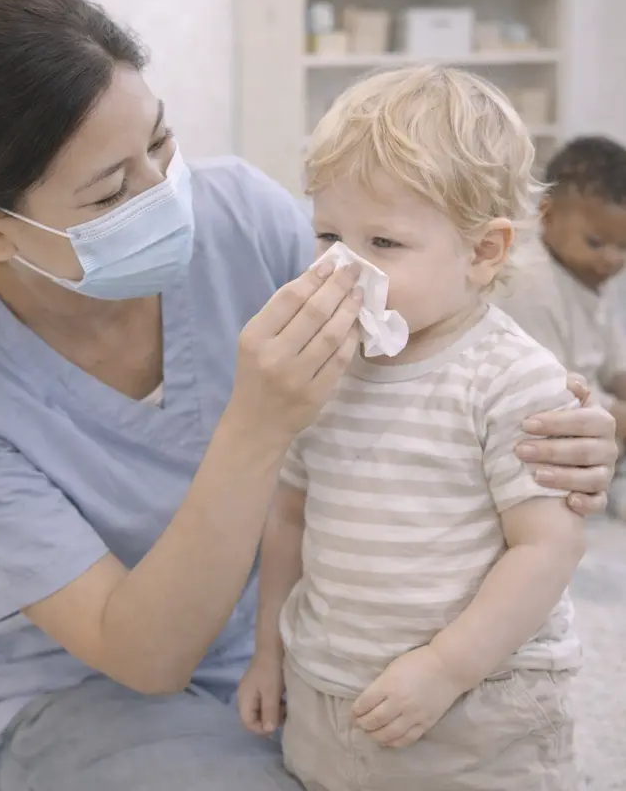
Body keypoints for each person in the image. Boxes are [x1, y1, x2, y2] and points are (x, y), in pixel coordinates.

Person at [0, 0, 616, 791]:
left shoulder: (236, 211)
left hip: (326, 651)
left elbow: (434, 331)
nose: (165, 197)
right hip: (105, 689)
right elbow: (144, 657)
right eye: (110, 191)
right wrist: (256, 427)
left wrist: (570, 429)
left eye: (161, 145)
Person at [238, 67, 586, 790]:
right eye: (329, 235)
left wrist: (445, 666)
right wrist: (268, 651)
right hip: (329, 687)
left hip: (475, 704)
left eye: (383, 244)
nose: (342, 267)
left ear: (483, 252)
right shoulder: (323, 361)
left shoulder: (509, 376)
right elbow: (288, 517)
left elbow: (546, 546)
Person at [494, 137, 626, 519]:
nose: (611, 260)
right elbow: (551, 392)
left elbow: (615, 364)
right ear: (547, 215)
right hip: (546, 427)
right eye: (596, 243)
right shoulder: (531, 282)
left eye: (624, 247)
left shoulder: (593, 276)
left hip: (596, 424)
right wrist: (617, 414)